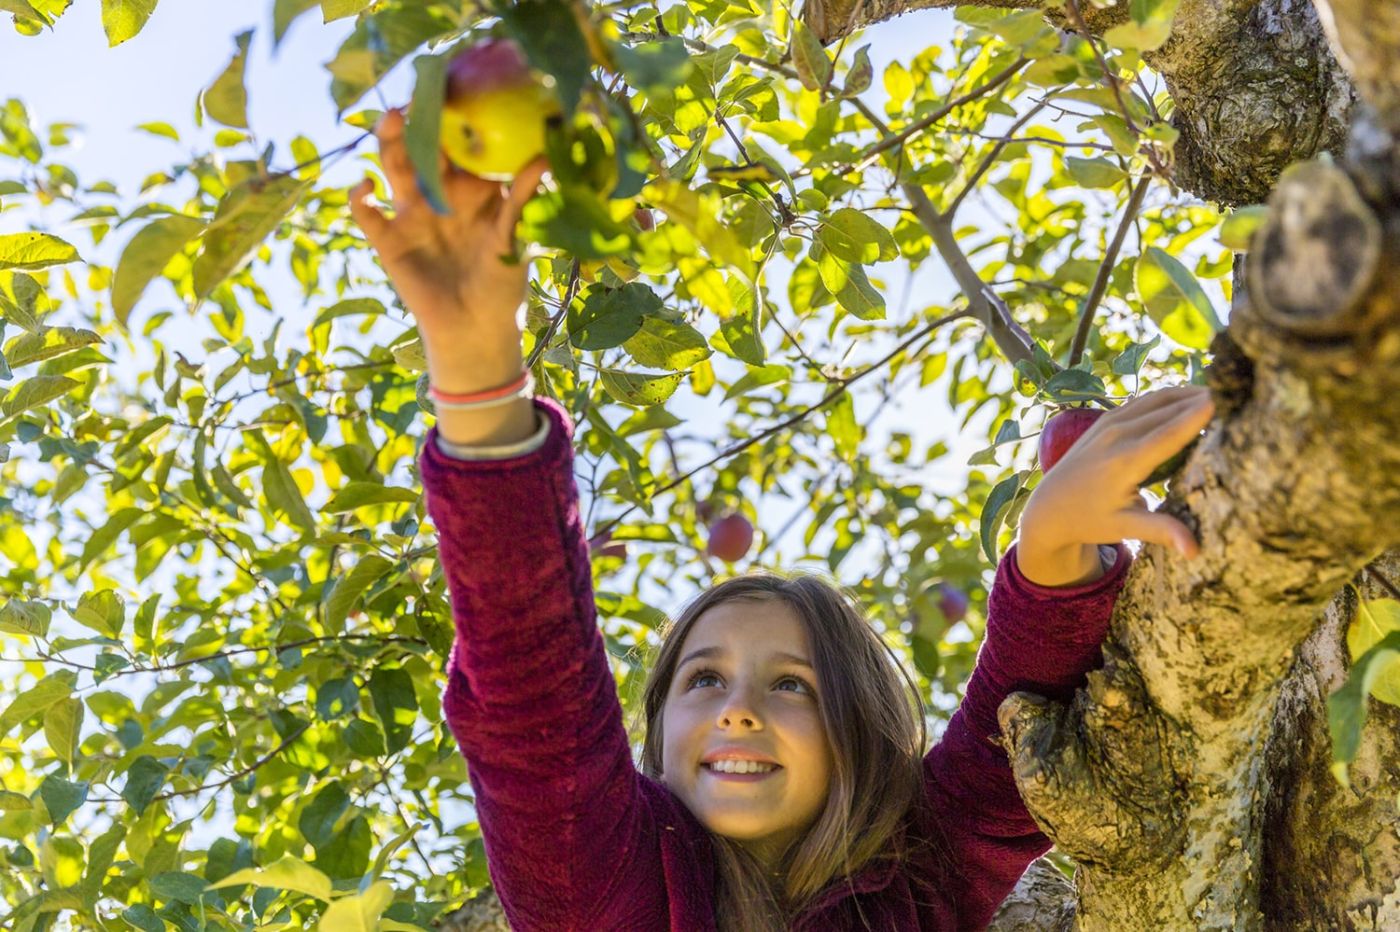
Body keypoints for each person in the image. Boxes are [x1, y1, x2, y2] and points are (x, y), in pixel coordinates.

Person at [349, 107, 1217, 931]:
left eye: (793, 684)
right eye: (703, 681)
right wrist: (476, 369)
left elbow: (1009, 738)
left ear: (860, 736)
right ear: (653, 735)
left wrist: (1053, 549)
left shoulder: (923, 880)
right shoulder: (608, 888)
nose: (738, 711)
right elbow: (531, 697)